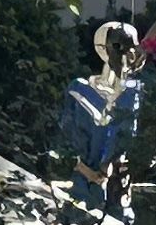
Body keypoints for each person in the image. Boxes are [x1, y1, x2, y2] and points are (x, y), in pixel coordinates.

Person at [60, 20, 146, 212]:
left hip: (118, 184)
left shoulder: (135, 92)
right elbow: (65, 135)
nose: (129, 54)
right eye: (119, 47)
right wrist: (85, 170)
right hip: (84, 181)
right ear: (102, 49)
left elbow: (135, 137)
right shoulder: (79, 90)